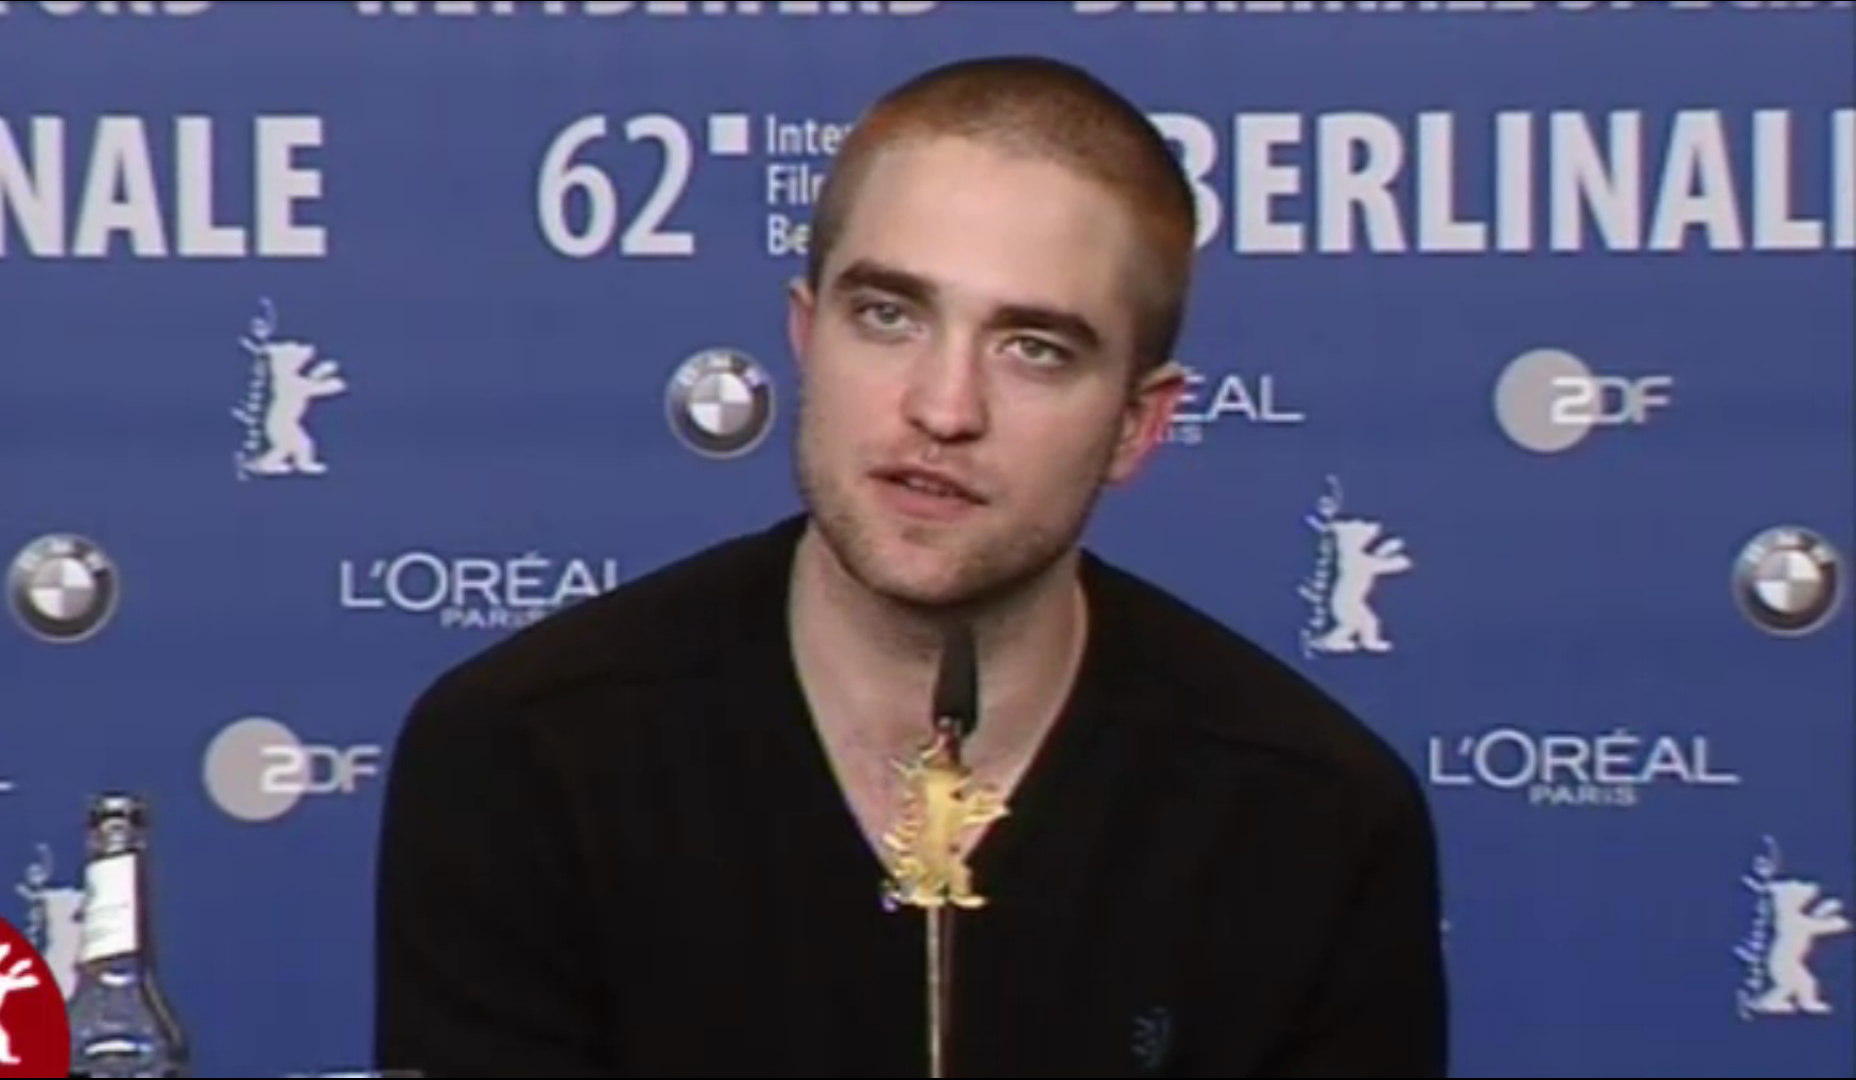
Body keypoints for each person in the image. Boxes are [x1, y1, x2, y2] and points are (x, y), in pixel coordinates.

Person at [372, 53, 1448, 1078]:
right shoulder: (527, 755)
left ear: (1138, 423)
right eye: (888, 317)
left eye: (1033, 349)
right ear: (806, 337)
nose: (943, 408)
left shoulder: (1314, 819)